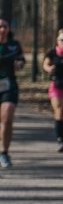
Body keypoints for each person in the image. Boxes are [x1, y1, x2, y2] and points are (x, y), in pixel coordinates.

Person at [0, 18, 25, 168]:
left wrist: (19, 64)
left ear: (9, 29)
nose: (2, 29)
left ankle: (4, 152)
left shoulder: (14, 45)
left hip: (9, 87)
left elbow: (21, 60)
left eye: (4, 26)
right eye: (0, 26)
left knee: (7, 119)